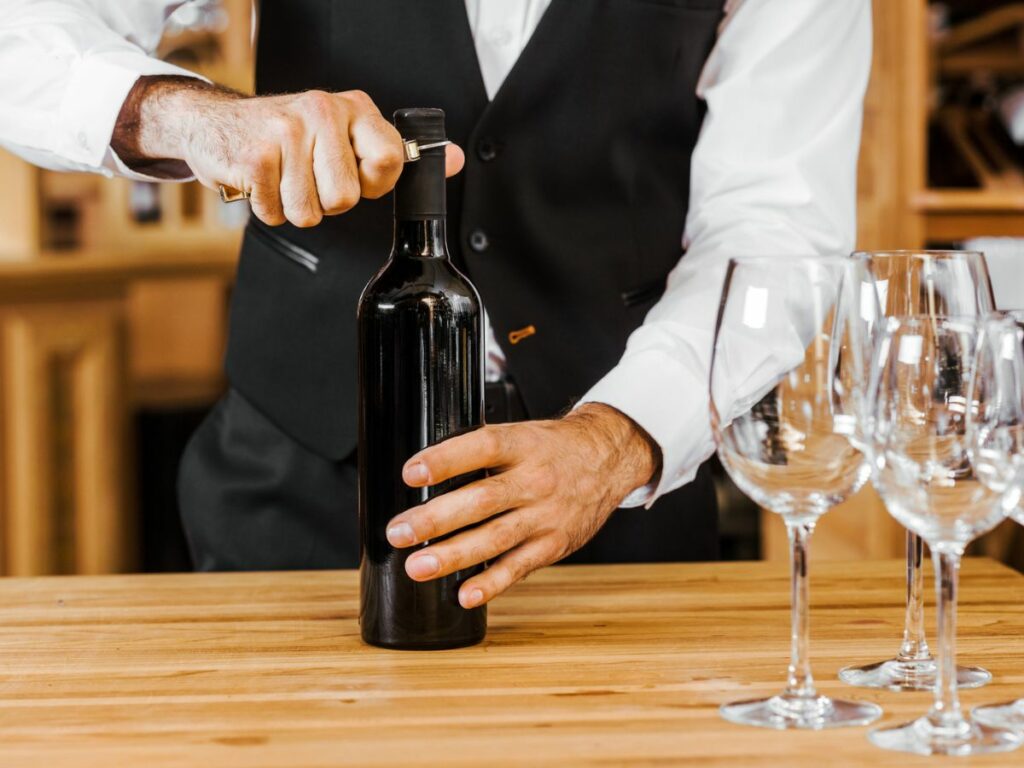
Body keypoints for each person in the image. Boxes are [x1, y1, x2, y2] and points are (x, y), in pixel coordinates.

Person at [0, 0, 871, 609]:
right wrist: (194, 120)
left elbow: (776, 228)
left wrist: (620, 441)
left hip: (614, 497)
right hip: (294, 480)